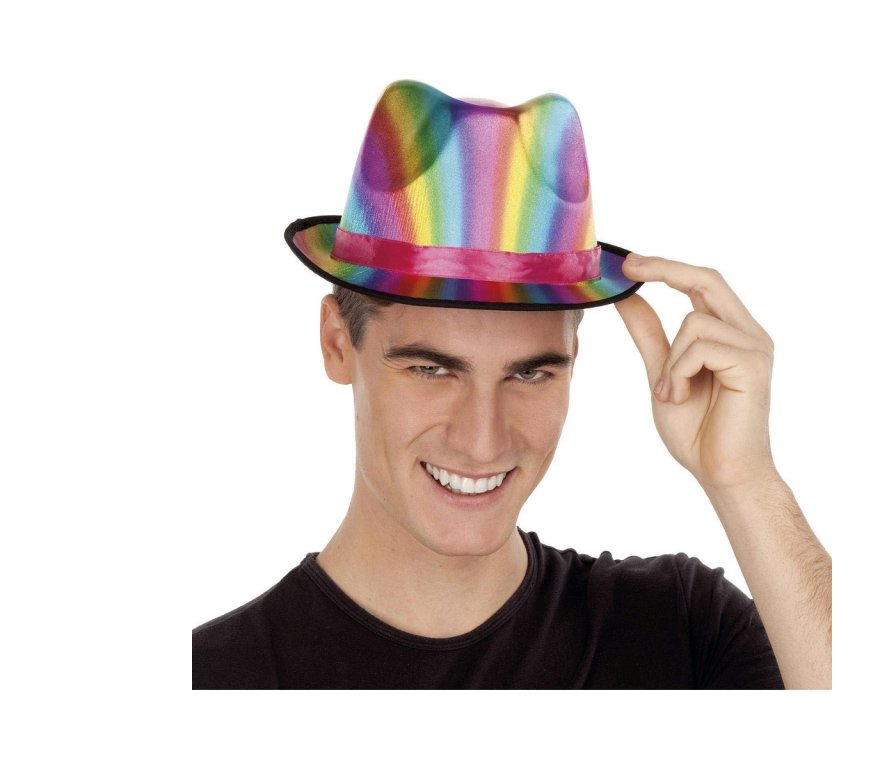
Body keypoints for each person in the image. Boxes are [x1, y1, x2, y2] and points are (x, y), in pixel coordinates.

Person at [192, 79, 832, 689]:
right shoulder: (211, 680)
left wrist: (745, 481)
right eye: (431, 369)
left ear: (574, 358)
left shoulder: (684, 631)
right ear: (337, 344)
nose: (482, 441)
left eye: (530, 373)